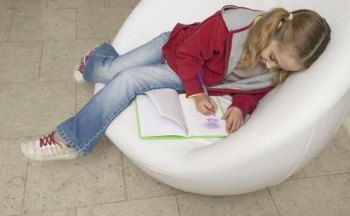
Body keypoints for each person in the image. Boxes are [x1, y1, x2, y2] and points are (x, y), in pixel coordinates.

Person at [20, 5, 331, 161]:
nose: (270, 66)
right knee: (107, 72)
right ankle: (97, 59)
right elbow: (187, 55)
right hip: (180, 50)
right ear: (275, 31)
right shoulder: (231, 24)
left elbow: (257, 89)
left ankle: (69, 139)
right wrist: (196, 94)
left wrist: (241, 106)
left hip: (192, 75)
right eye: (273, 57)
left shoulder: (279, 68)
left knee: (127, 79)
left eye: (283, 68)